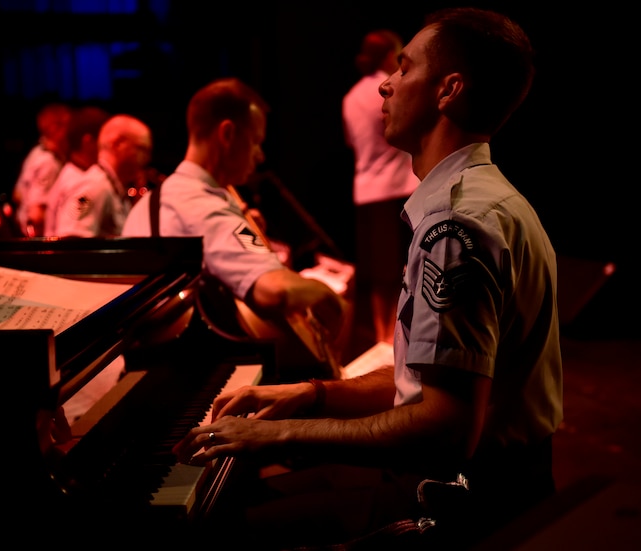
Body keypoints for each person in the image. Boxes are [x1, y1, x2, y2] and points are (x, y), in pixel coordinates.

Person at [172, 8, 562, 550]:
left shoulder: (456, 225)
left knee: (221, 528)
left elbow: (448, 427)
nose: (386, 83)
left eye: (404, 68)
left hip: (458, 500)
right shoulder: (480, 200)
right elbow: (428, 380)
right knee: (246, 498)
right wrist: (312, 395)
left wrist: (276, 433)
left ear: (448, 90)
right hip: (475, 482)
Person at [121, 77, 347, 380]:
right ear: (227, 133)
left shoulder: (151, 203)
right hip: (194, 376)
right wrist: (334, 301)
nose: (260, 155)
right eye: (255, 140)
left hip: (145, 372)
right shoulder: (202, 204)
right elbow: (274, 290)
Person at [343, 29, 420, 347]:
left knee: (379, 273)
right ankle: (399, 338)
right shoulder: (390, 90)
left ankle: (380, 336)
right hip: (398, 188)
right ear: (390, 55)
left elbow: (351, 142)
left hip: (366, 189)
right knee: (403, 269)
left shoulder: (350, 96)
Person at [47, 113, 152, 238]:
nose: (147, 158)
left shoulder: (109, 185)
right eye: (141, 148)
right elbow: (72, 243)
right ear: (117, 144)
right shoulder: (94, 186)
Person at [41, 105, 110, 236]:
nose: (107, 147)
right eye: (104, 140)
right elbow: (72, 239)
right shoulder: (81, 182)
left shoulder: (80, 175)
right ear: (88, 141)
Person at [12, 101, 72, 237]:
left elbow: (17, 195)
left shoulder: (36, 152)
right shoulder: (48, 163)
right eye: (69, 126)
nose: (72, 132)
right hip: (38, 240)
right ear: (54, 129)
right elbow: (36, 215)